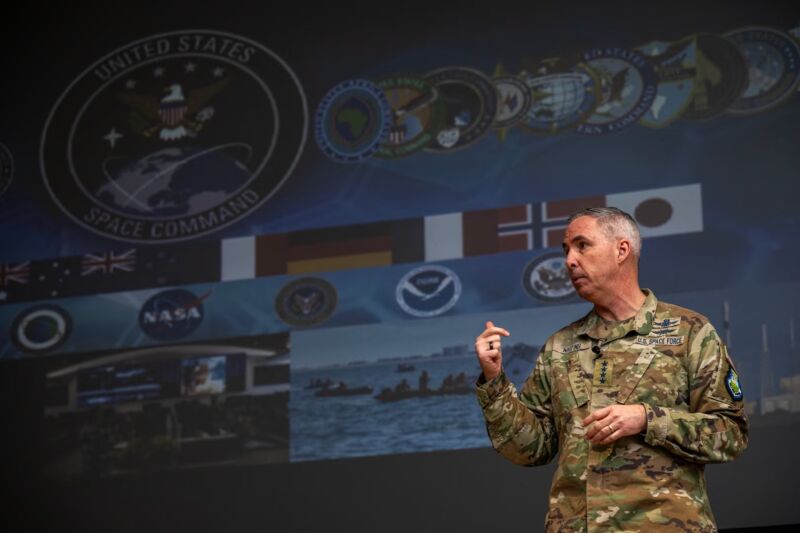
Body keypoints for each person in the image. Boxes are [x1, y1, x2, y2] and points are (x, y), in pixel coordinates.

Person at [474, 207, 748, 532]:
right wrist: (494, 380)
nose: (570, 261)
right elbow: (530, 450)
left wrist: (647, 419)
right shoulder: (560, 346)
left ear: (622, 250)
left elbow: (730, 434)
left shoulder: (689, 332)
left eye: (582, 245)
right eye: (566, 251)